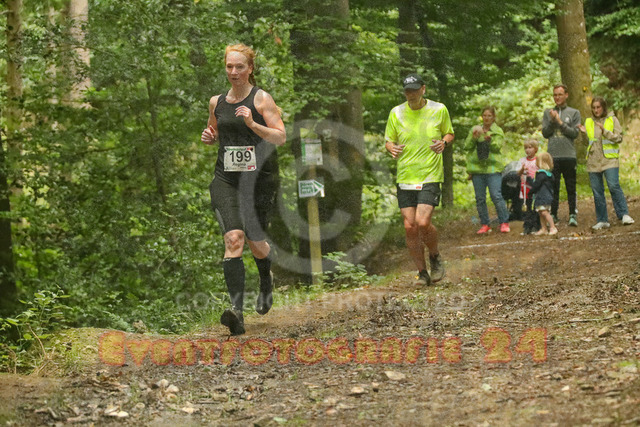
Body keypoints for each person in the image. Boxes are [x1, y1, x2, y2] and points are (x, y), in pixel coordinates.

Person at [201, 44, 286, 336]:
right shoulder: (216, 102)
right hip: (226, 180)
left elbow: (280, 137)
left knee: (256, 243)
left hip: (259, 182)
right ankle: (236, 312)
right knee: (234, 238)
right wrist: (209, 136)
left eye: (239, 67)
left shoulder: (261, 99)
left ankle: (266, 279)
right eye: (229, 67)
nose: (234, 72)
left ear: (250, 68)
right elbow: (214, 130)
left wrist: (252, 123)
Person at [384, 73, 454, 286]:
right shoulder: (396, 113)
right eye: (407, 91)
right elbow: (388, 140)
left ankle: (435, 256)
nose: (411, 94)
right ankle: (422, 273)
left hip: (430, 174)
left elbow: (449, 133)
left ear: (423, 89)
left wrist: (443, 142)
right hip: (405, 175)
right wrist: (391, 148)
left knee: (423, 222)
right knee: (410, 227)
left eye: (415, 90)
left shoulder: (438, 109)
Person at [577, 97, 635, 229]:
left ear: (603, 107)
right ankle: (602, 219)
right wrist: (583, 134)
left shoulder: (612, 119)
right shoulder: (588, 121)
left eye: (598, 107)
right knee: (597, 191)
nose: (596, 110)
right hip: (593, 161)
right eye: (593, 108)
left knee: (613, 186)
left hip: (609, 160)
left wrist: (605, 132)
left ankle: (624, 214)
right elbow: (586, 143)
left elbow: (619, 138)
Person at [464, 106, 510, 234]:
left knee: (496, 195)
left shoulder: (497, 131)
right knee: (480, 198)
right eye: (484, 115)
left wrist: (490, 141)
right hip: (477, 169)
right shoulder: (475, 130)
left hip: (493, 168)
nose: (487, 118)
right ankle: (485, 224)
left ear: (493, 117)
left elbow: (497, 147)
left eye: (489, 116)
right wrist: (474, 138)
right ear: (482, 117)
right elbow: (467, 146)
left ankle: (504, 222)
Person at [541, 84, 581, 226]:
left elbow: (574, 133)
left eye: (560, 94)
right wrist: (553, 122)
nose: (557, 97)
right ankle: (553, 214)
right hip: (553, 156)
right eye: (555, 95)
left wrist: (559, 122)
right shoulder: (548, 112)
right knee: (554, 187)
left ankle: (572, 214)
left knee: (571, 186)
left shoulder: (574, 112)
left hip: (569, 155)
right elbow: (545, 133)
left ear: (566, 95)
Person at [529, 152, 557, 236]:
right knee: (541, 213)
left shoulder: (541, 174)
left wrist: (531, 191)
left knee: (545, 212)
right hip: (547, 196)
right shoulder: (549, 175)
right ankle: (543, 228)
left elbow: (536, 185)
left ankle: (552, 227)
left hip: (542, 197)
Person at [517, 140, 541, 234]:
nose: (528, 150)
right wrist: (522, 169)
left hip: (535, 187)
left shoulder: (538, 160)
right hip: (525, 188)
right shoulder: (522, 161)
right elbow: (518, 173)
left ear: (535, 149)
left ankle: (536, 225)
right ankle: (527, 226)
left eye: (530, 147)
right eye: (526, 148)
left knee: (535, 207)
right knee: (527, 207)